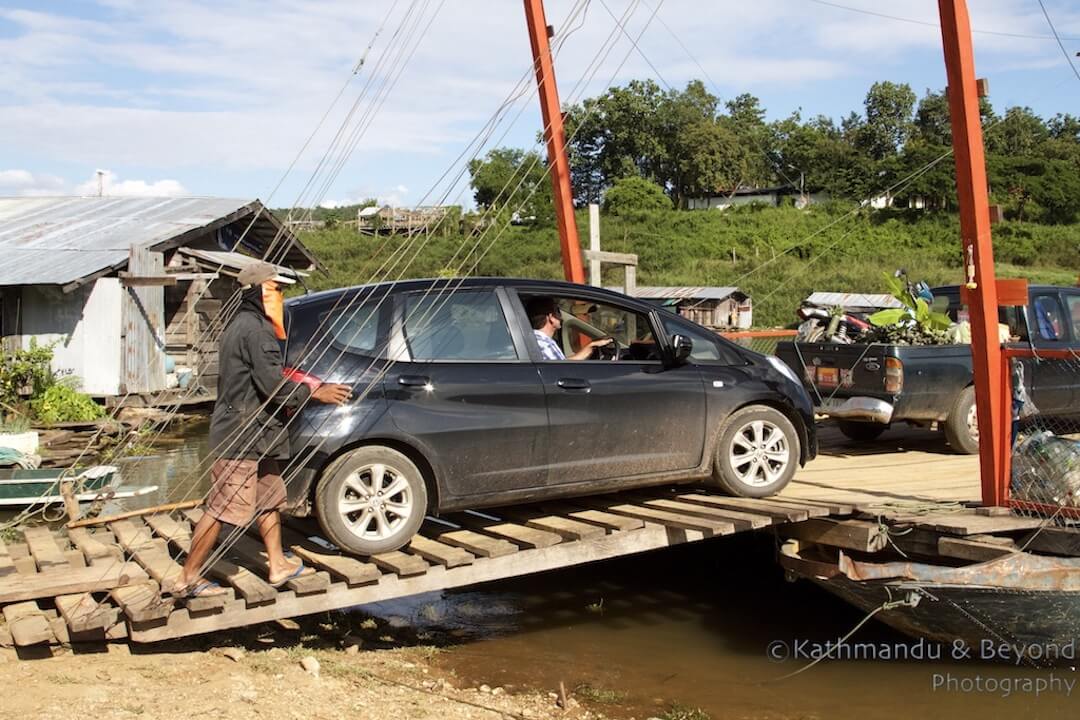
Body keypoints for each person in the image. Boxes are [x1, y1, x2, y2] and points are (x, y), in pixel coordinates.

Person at [170, 262, 352, 597]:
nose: (281, 298)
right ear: (258, 293)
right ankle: (187, 577)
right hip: (242, 436)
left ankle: (276, 564)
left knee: (268, 498)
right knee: (222, 508)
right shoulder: (256, 331)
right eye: (276, 290)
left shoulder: (242, 325)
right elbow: (273, 385)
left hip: (259, 434)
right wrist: (316, 392)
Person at [525, 296, 613, 360]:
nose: (561, 316)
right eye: (558, 311)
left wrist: (590, 346)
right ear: (551, 317)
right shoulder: (544, 344)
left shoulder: (537, 341)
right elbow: (561, 371)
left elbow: (561, 364)